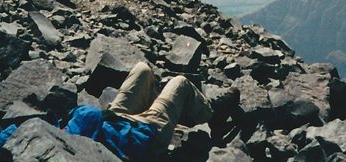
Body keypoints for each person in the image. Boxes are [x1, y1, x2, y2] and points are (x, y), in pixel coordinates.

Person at [64, 62, 240, 160]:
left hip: (113, 121)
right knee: (180, 82)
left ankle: (171, 107)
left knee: (143, 69)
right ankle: (213, 113)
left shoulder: (58, 140)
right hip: (144, 134)